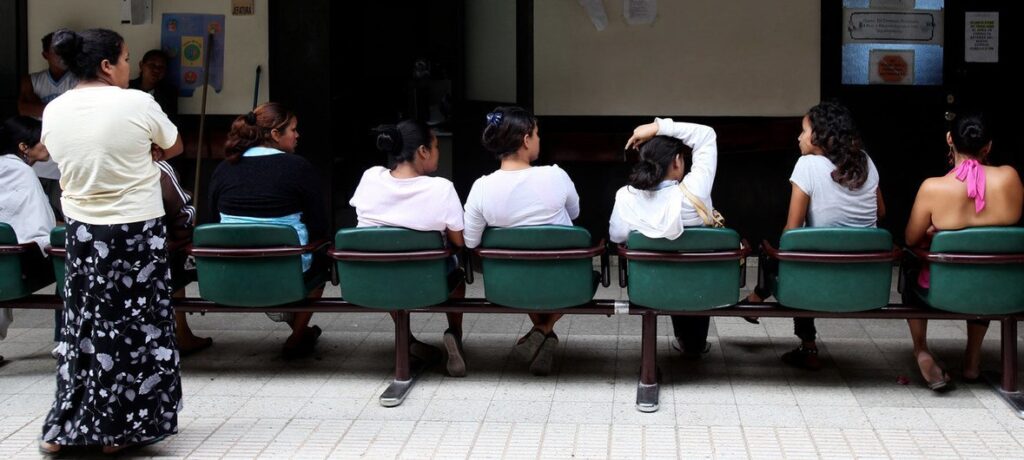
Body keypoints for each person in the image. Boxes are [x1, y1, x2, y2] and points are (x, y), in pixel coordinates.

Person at [39, 28, 184, 454]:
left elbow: (61, 153)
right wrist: (146, 153)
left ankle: (67, 425)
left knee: (84, 324)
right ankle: (120, 429)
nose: (126, 67)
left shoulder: (56, 108)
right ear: (106, 66)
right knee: (135, 329)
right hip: (135, 231)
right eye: (124, 60)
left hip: (82, 230)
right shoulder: (137, 102)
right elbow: (173, 145)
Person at [745, 101, 885, 371]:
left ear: (822, 136)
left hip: (817, 280)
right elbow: (881, 210)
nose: (798, 137)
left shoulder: (807, 165)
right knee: (805, 253)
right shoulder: (865, 161)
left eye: (804, 130)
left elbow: (792, 230)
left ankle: (803, 341)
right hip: (864, 279)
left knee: (789, 251)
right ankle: (758, 299)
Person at [904, 113, 1023, 390]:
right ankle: (972, 359)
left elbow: (911, 238)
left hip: (946, 288)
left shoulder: (933, 187)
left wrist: (939, 232)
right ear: (988, 146)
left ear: (949, 140)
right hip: (999, 285)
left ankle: (921, 349)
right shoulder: (1010, 178)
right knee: (984, 264)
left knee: (910, 262)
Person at [463, 106, 581, 376]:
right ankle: (544, 331)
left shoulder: (481, 187)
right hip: (563, 279)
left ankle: (542, 334)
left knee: (525, 268)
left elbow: (470, 242)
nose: (539, 140)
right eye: (537, 134)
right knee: (549, 264)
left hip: (509, 284)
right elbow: (575, 214)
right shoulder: (555, 175)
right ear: (526, 139)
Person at [208, 102, 328, 358]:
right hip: (286, 272)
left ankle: (293, 322)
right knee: (320, 258)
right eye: (293, 130)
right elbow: (319, 224)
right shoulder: (298, 167)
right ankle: (296, 337)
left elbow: (210, 219)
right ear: (275, 134)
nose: (297, 135)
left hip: (229, 271)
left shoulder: (223, 169)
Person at [350, 120, 468, 376]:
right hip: (429, 282)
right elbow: (459, 241)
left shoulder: (370, 177)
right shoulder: (441, 188)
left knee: (388, 264)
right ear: (423, 151)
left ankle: (406, 339)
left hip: (374, 280)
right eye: (436, 146)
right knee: (456, 272)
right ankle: (454, 333)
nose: (438, 152)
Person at [608, 118, 719, 358]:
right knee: (690, 266)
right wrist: (658, 127)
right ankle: (694, 343)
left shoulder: (626, 197)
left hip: (648, 287)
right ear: (678, 161)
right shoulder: (692, 194)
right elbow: (706, 135)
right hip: (698, 285)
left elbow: (616, 235)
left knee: (668, 269)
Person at [0, 116, 57, 366]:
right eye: (41, 141)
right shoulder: (21, 172)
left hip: (5, 261)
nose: (48, 145)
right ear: (24, 147)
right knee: (69, 261)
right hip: (19, 266)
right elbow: (40, 230)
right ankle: (64, 339)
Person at [18, 32, 79, 222]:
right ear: (45, 54)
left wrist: (39, 108)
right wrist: (59, 111)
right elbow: (23, 109)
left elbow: (75, 115)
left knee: (63, 217)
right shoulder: (32, 80)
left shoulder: (79, 80)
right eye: (56, 51)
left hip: (65, 161)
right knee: (34, 215)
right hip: (37, 159)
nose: (61, 55)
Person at [156, 158, 212, 355]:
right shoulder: (157, 168)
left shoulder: (85, 161)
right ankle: (181, 332)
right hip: (152, 253)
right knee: (174, 253)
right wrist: (185, 238)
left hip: (96, 250)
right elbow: (182, 213)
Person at [129, 49, 177, 117]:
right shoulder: (127, 88)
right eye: (152, 65)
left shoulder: (169, 93)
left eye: (161, 67)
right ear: (141, 65)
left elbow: (170, 120)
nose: (156, 70)